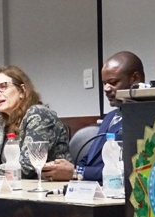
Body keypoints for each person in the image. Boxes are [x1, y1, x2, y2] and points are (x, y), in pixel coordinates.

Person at [41, 51, 145, 182]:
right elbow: (91, 158)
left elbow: (129, 170)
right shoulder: (110, 117)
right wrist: (65, 169)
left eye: (113, 82)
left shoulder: (144, 118)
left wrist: (77, 172)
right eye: (104, 83)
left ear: (135, 79)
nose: (106, 89)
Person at [0, 65, 70, 178]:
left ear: (22, 91)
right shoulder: (0, 123)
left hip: (47, 185)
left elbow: (28, 166)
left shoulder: (39, 115)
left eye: (3, 86)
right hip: (12, 185)